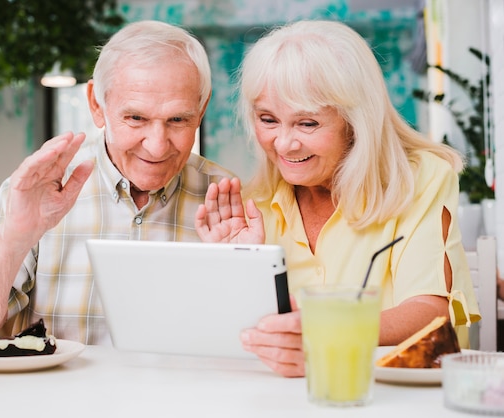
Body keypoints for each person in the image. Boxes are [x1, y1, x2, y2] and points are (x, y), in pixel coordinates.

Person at [195, 20, 480, 377]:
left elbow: (428, 311)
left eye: (307, 124)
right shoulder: (251, 206)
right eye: (268, 119)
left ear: (356, 122)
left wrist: (324, 331)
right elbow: (243, 342)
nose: (284, 144)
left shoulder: (418, 178)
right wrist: (234, 267)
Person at [0, 20, 233, 344]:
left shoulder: (228, 201)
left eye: (178, 120)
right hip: (52, 396)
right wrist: (16, 236)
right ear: (97, 104)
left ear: (202, 108)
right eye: (136, 118)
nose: (156, 144)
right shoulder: (38, 190)